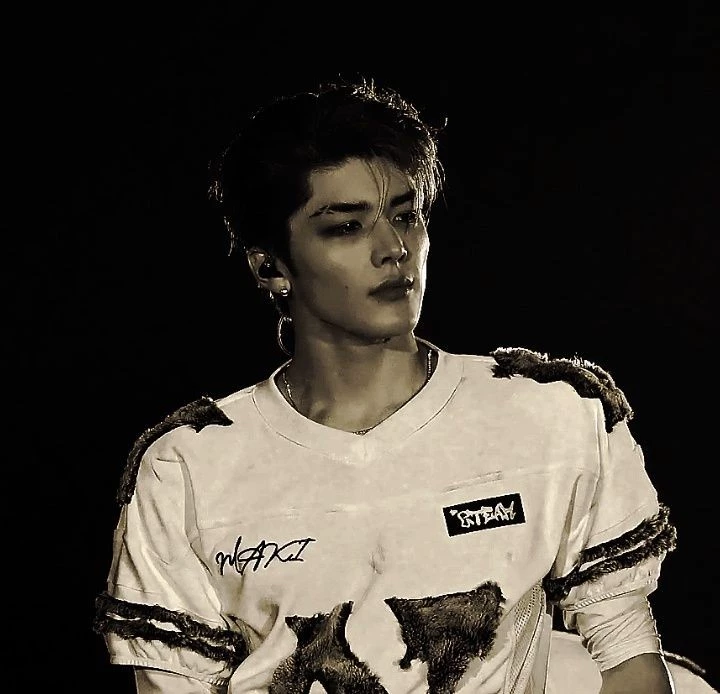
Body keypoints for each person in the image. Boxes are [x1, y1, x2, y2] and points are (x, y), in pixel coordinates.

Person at [94, 78, 681, 694]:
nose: (394, 249)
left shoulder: (554, 415)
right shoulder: (186, 468)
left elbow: (630, 662)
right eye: (346, 227)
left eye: (406, 216)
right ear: (269, 266)